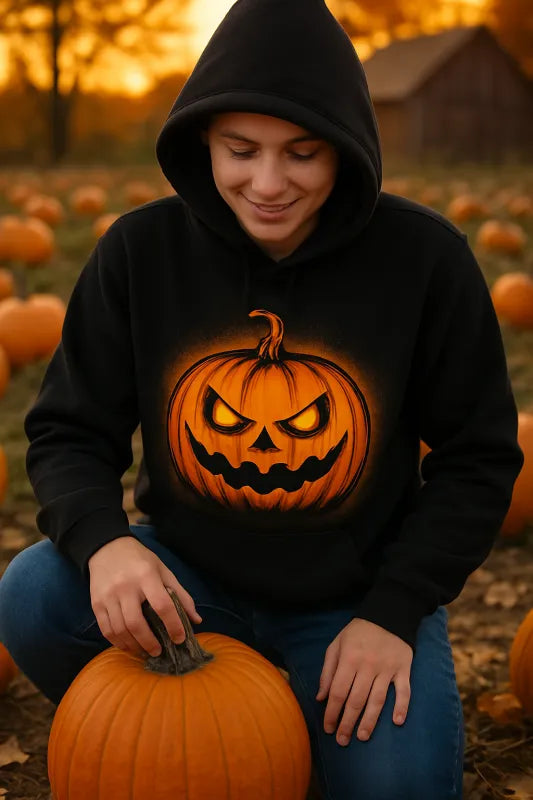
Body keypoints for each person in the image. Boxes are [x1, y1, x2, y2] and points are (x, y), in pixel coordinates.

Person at [0, 0, 523, 797]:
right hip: (188, 583)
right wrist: (107, 542)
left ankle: (287, 735)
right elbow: (69, 429)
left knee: (397, 788)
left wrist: (394, 612)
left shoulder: (424, 262)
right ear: (201, 139)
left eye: (303, 154)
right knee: (35, 593)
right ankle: (214, 740)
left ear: (346, 150)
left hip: (353, 601)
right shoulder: (141, 253)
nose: (268, 184)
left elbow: (478, 460)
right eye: (240, 151)